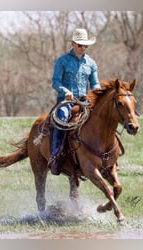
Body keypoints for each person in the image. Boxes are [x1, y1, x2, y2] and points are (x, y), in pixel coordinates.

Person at [48, 28, 101, 175]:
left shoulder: (91, 63)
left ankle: (105, 156)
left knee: (101, 120)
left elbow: (95, 83)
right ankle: (55, 156)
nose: (83, 48)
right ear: (73, 44)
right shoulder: (62, 61)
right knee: (62, 119)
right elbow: (55, 82)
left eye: (85, 46)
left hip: (84, 101)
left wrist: (95, 93)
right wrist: (66, 92)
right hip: (66, 102)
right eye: (80, 45)